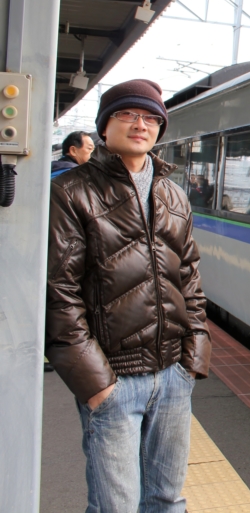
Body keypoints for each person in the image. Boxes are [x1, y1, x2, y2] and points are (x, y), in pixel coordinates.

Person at [47, 78, 211, 513]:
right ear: (105, 127)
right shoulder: (70, 191)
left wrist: (193, 358)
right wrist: (97, 385)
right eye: (128, 114)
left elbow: (189, 276)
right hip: (114, 378)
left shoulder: (173, 194)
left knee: (167, 501)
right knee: (114, 507)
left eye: (151, 117)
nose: (141, 124)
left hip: (173, 375)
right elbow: (58, 293)